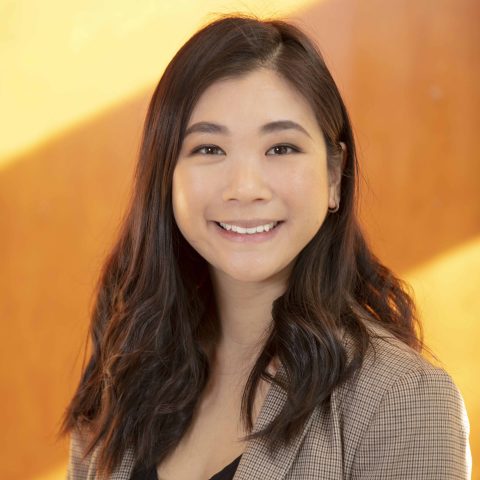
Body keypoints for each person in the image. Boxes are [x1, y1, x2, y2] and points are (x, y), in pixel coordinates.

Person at [60, 13, 472, 480]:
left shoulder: (404, 400)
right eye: (209, 149)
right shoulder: (125, 367)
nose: (245, 188)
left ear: (334, 176)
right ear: (166, 176)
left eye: (281, 148)